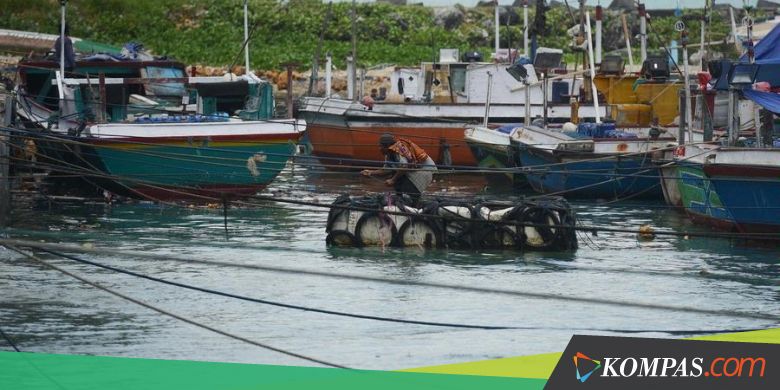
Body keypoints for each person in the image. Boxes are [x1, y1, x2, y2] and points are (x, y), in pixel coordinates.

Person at [361, 133, 437, 207]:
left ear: (387, 146)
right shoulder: (389, 153)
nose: (379, 149)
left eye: (380, 146)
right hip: (413, 171)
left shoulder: (399, 149)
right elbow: (386, 170)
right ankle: (403, 200)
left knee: (401, 182)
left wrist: (393, 180)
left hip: (423, 171)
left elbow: (405, 166)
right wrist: (371, 172)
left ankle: (412, 205)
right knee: (396, 177)